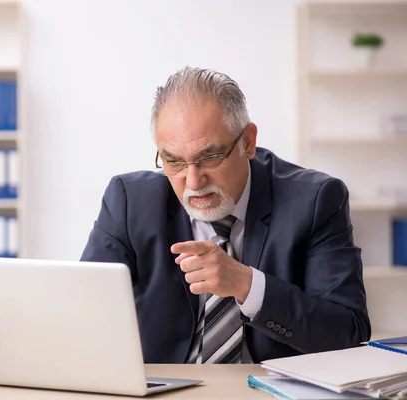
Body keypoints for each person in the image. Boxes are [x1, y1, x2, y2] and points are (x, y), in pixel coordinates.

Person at [80, 67, 371, 364]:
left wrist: (246, 284)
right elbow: (82, 313)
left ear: (247, 142)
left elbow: (346, 332)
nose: (193, 182)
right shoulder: (129, 201)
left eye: (210, 157)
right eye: (174, 162)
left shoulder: (316, 200)